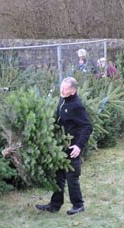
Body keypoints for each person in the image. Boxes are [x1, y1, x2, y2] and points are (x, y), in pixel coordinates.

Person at [36, 77, 93, 215]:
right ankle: (55, 205)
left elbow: (87, 126)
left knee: (72, 177)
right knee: (58, 176)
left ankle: (78, 205)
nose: (62, 90)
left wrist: (79, 146)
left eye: (65, 88)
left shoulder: (76, 106)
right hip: (61, 146)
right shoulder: (62, 100)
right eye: (61, 86)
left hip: (72, 147)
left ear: (73, 91)